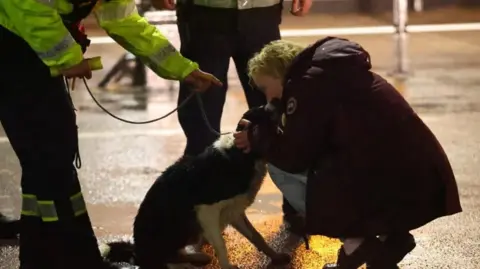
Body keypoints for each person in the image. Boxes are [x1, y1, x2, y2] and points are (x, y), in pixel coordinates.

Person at [0, 0, 221, 268]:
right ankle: (74, 259)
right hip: (11, 49)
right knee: (50, 157)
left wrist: (182, 68)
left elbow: (126, 23)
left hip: (30, 50)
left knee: (45, 163)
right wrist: (67, 57)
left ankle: (41, 257)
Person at [233, 37, 462, 269]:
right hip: (415, 176)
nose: (267, 97)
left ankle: (356, 243)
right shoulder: (331, 73)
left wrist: (257, 137)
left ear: (278, 73)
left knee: (280, 166)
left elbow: (295, 156)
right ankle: (390, 239)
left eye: (264, 87)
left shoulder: (307, 88)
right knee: (333, 159)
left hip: (389, 179)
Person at [154, 0, 312, 232]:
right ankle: (197, 215)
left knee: (279, 117)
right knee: (200, 126)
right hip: (204, 12)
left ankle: (296, 206)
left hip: (261, 11)